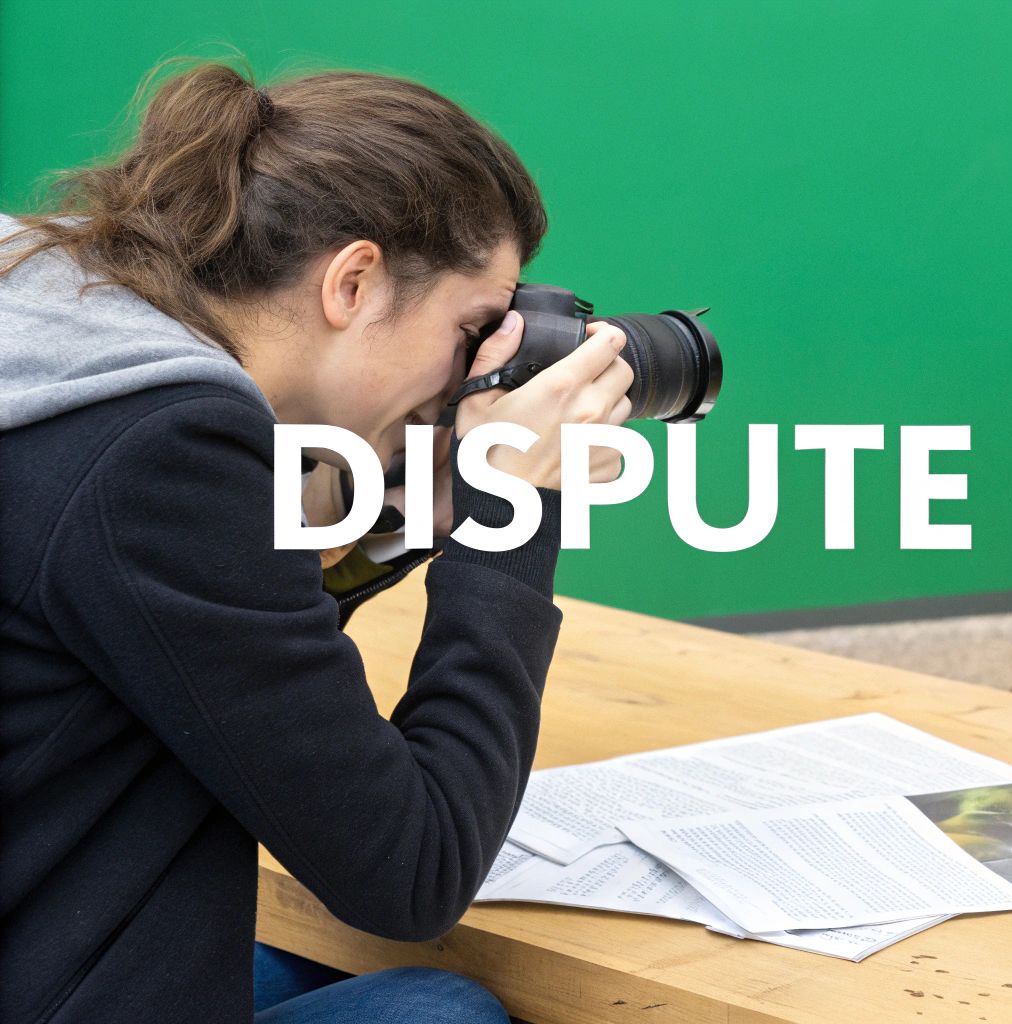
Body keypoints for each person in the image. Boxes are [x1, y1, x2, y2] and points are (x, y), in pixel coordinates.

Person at [0, 58, 635, 1022]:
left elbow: (193, 653)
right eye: (474, 330)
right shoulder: (161, 449)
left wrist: (398, 515)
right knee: (440, 1011)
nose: (471, 377)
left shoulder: (55, 321)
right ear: (353, 281)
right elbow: (411, 873)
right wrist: (512, 510)